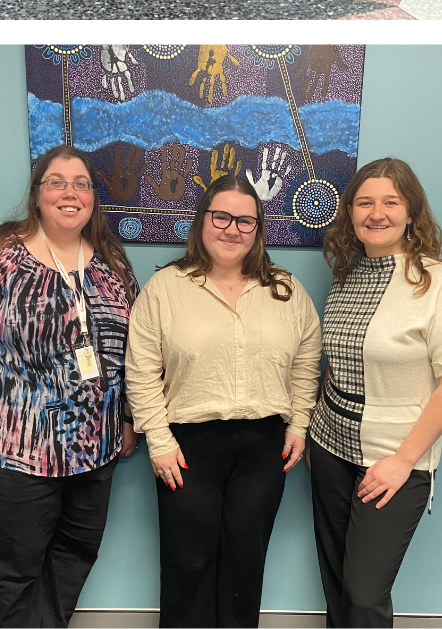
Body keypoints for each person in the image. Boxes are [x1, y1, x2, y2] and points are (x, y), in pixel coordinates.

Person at [0, 147, 139, 629]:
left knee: (72, 558)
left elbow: (136, 347)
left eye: (81, 183)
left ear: (93, 198)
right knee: (14, 573)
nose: (69, 192)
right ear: (37, 196)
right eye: (56, 182)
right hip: (14, 449)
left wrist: (126, 421)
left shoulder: (109, 261)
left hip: (94, 452)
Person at [124, 173, 322, 628]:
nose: (232, 229)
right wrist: (157, 438)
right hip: (186, 447)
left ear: (258, 229)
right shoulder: (167, 287)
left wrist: (298, 425)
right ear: (202, 220)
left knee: (245, 562)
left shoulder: (286, 290)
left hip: (264, 445)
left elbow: (308, 360)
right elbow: (141, 368)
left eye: (245, 221)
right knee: (187, 563)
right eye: (222, 216)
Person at [308, 157, 442, 629]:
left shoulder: (438, 280)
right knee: (337, 581)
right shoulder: (347, 277)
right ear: (350, 213)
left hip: (395, 457)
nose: (376, 213)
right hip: (329, 448)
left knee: (364, 592)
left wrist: (403, 461)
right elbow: (335, 364)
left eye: (390, 202)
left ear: (410, 213)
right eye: (364, 202)